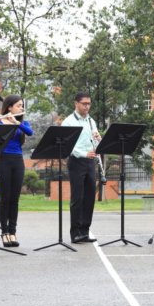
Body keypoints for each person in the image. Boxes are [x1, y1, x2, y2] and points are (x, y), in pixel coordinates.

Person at [0, 95, 33, 247]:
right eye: (18, 105)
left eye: (22, 105)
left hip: (17, 160)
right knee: (5, 198)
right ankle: (4, 233)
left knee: (15, 198)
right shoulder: (0, 121)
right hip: (2, 159)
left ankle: (12, 232)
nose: (21, 108)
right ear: (9, 107)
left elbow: (29, 132)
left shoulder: (22, 122)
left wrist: (16, 122)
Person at [61, 92, 100, 244]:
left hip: (90, 162)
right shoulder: (68, 122)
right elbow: (68, 145)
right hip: (77, 161)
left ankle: (85, 231)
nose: (87, 106)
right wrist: (84, 153)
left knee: (90, 197)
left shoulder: (91, 121)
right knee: (78, 198)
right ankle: (75, 233)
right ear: (76, 104)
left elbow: (94, 142)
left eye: (89, 103)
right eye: (84, 103)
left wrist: (98, 141)